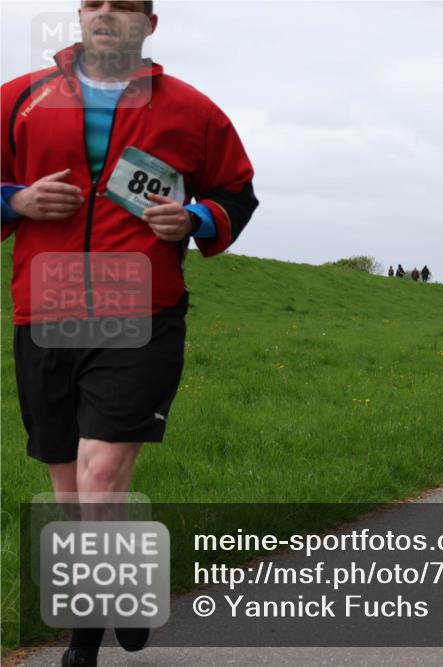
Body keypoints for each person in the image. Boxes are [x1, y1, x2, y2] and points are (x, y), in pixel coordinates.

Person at [1, 2, 257, 665]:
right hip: (45, 306)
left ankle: (84, 636)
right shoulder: (20, 99)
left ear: (149, 23)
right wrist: (14, 200)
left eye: (123, 5)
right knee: (68, 481)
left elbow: (237, 192)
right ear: (82, 16)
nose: (106, 15)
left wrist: (196, 218)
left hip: (141, 309)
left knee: (104, 468)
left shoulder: (192, 111)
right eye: (95, 4)